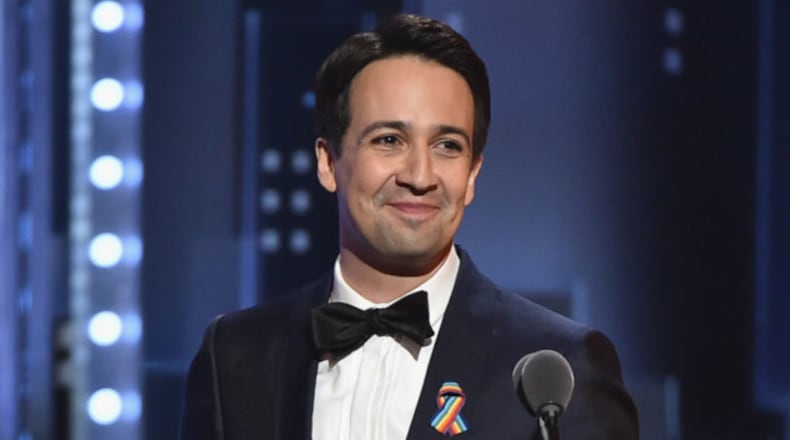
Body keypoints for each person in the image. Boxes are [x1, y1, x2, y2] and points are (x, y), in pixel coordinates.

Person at [178, 13, 639, 440]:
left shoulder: (555, 368)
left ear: (472, 175)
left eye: (447, 145)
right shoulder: (235, 355)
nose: (420, 176)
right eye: (389, 140)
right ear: (327, 161)